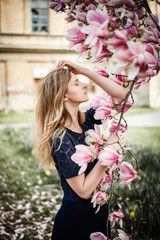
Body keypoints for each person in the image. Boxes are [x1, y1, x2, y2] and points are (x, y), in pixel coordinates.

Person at [34, 60, 127, 240]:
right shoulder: (61, 139)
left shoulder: (87, 121)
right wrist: (108, 152)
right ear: (64, 97)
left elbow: (122, 97)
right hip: (76, 223)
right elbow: (83, 191)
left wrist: (85, 71)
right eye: (76, 83)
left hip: (99, 214)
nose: (84, 84)